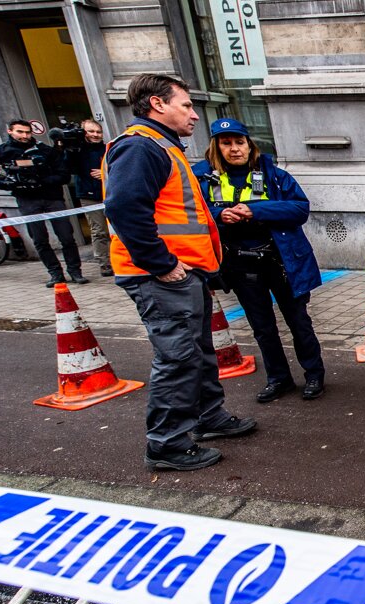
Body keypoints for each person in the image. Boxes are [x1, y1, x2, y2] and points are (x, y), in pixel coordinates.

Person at [103, 74, 257, 471]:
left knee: (198, 352)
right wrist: (163, 264)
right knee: (179, 358)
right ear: (157, 104)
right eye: (186, 105)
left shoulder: (163, 148)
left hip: (185, 274)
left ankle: (208, 417)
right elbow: (124, 210)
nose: (193, 114)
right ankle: (167, 444)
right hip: (161, 277)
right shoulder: (141, 147)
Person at [192, 118, 326, 402]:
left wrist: (257, 211)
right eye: (226, 144)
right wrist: (219, 216)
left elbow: (299, 208)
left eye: (239, 142)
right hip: (241, 264)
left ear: (249, 144)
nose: (234, 149)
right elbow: (192, 214)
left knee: (298, 321)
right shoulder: (202, 180)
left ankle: (314, 374)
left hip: (280, 260)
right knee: (262, 327)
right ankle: (279, 379)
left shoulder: (275, 175)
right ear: (216, 147)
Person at [0, 119, 87, 286]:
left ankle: (75, 271)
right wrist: (6, 183)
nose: (24, 136)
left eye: (27, 132)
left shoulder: (45, 151)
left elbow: (64, 175)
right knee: (39, 239)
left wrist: (43, 180)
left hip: (52, 198)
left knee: (66, 236)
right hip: (27, 199)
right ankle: (55, 274)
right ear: (10, 131)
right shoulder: (1, 151)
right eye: (20, 132)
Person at [68, 119, 112, 276]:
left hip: (111, 193)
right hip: (89, 195)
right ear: (84, 133)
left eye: (98, 132)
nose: (95, 135)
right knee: (99, 230)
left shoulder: (109, 149)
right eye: (91, 132)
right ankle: (105, 262)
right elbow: (68, 168)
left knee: (118, 228)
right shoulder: (77, 151)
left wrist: (106, 174)